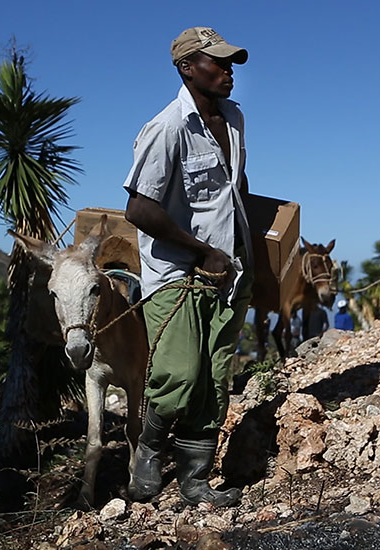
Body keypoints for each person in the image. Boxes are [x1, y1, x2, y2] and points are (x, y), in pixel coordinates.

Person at [122, 26, 252, 508]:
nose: (228, 71)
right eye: (217, 62)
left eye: (231, 63)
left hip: (230, 271)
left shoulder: (233, 117)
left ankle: (196, 481)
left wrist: (244, 253)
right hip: (178, 275)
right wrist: (201, 251)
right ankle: (149, 451)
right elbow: (139, 209)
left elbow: (233, 188)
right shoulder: (168, 127)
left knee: (213, 381)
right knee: (177, 377)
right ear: (186, 67)